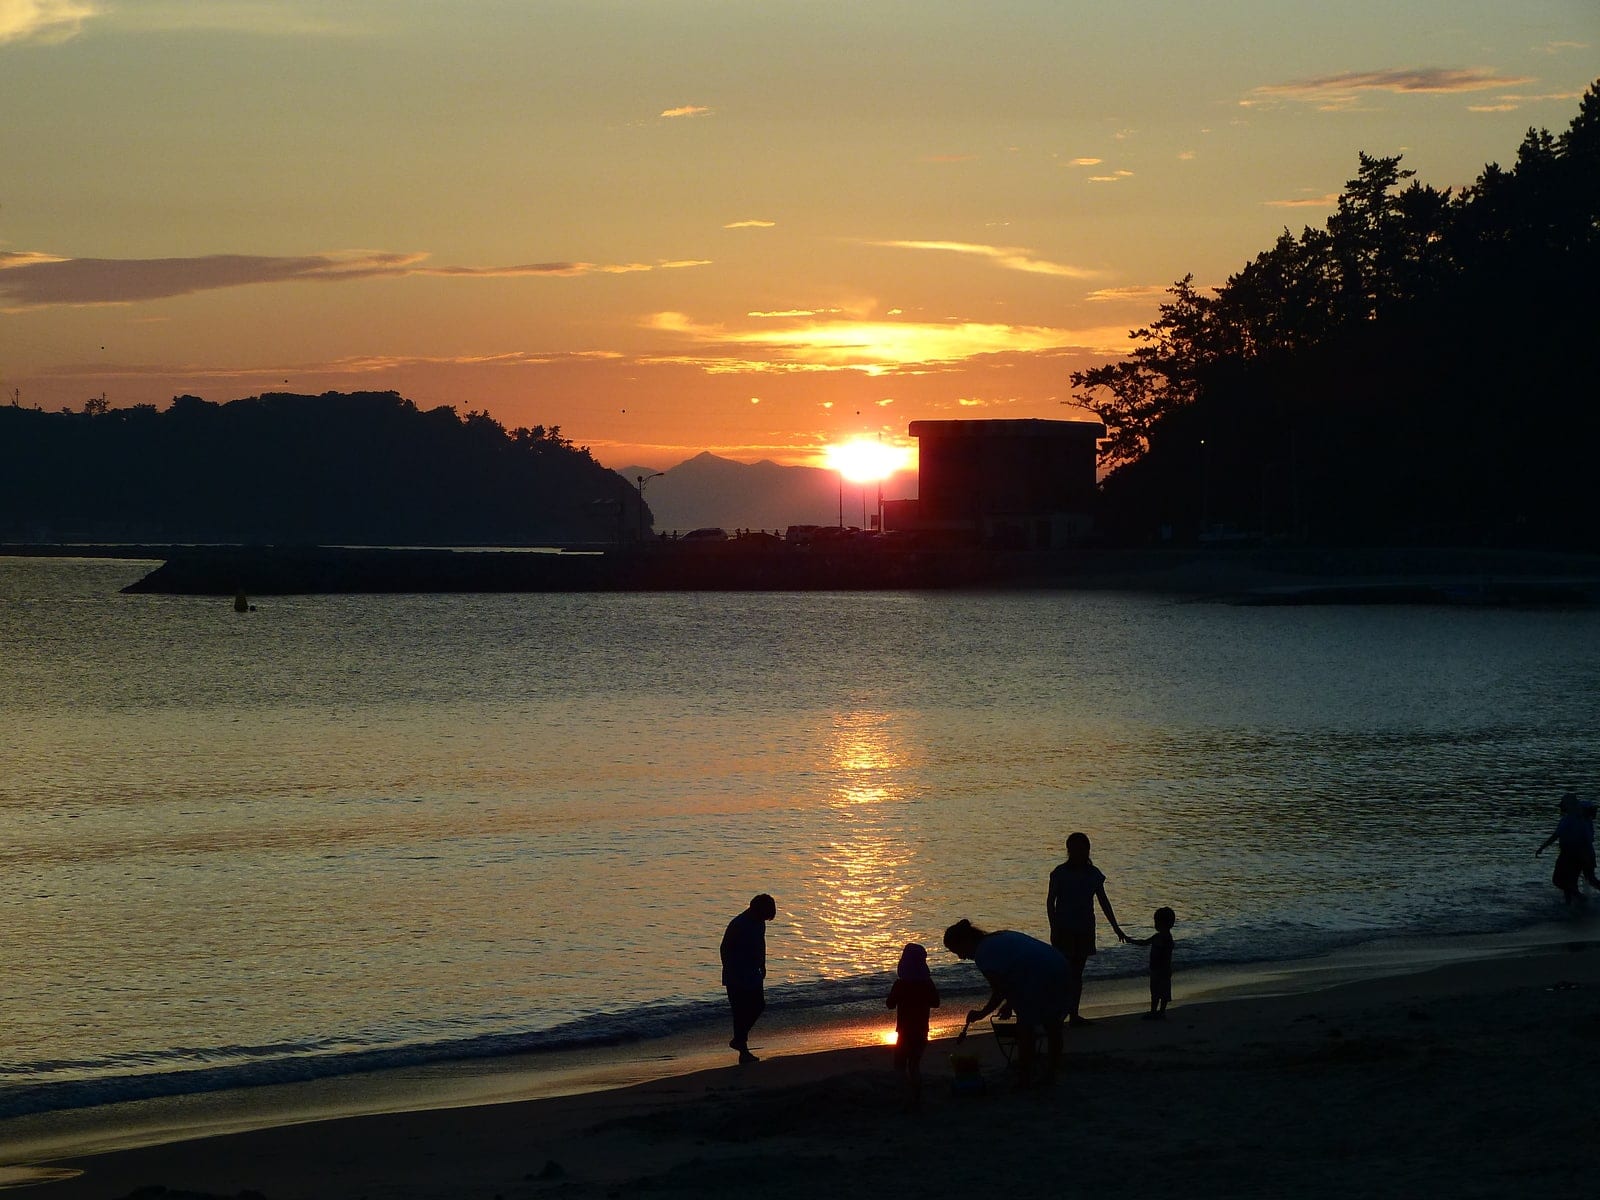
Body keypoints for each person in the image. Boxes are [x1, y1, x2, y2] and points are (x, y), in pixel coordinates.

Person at [942, 919, 1066, 1086]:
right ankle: (1051, 1073)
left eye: (957, 951)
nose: (961, 957)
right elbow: (1014, 976)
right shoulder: (997, 938)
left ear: (965, 941)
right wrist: (1011, 1003)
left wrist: (981, 1013)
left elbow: (999, 991)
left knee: (1026, 1028)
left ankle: (1026, 1076)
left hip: (1043, 974)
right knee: (1052, 1026)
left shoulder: (983, 954)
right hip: (1058, 964)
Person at [1046, 831, 1129, 1025]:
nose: (1077, 853)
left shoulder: (1093, 874)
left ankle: (1073, 1014)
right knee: (1062, 973)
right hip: (1064, 928)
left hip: (1084, 928)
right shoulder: (1059, 873)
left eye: (1081, 849)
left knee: (1077, 973)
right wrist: (1053, 927)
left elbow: (1104, 902)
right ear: (1068, 851)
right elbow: (1050, 902)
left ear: (1087, 850)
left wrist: (1116, 928)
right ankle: (1058, 1013)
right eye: (1073, 849)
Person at [720, 893, 776, 1063]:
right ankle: (743, 1051)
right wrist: (730, 969)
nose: (766, 918)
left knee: (758, 1005)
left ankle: (739, 1040)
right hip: (736, 974)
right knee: (740, 1011)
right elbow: (724, 947)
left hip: (752, 973)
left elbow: (761, 943)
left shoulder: (759, 922)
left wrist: (763, 963)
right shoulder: (739, 924)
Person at [885, 942, 940, 1110]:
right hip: (922, 1030)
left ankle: (904, 1098)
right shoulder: (927, 983)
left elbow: (890, 1004)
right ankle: (917, 1098)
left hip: (904, 1031)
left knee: (900, 1065)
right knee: (914, 1065)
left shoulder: (900, 984)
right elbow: (936, 1003)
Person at [1536, 795, 1599, 904]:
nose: (1561, 809)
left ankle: (1578, 900)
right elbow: (1589, 838)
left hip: (1571, 854)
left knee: (1560, 881)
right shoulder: (1585, 820)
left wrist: (1542, 847)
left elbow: (1556, 835)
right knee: (1588, 879)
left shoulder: (1569, 819)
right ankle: (1573, 904)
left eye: (1562, 806)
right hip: (1587, 853)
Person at [1126, 906, 1177, 1020]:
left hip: (1162, 970)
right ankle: (1156, 1011)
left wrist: (1131, 940)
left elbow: (1146, 944)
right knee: (1156, 991)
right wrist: (1130, 940)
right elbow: (1144, 943)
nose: (1155, 924)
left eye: (1157, 922)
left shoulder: (1166, 938)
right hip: (1158, 969)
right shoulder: (1159, 936)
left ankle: (1160, 1012)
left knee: (1160, 992)